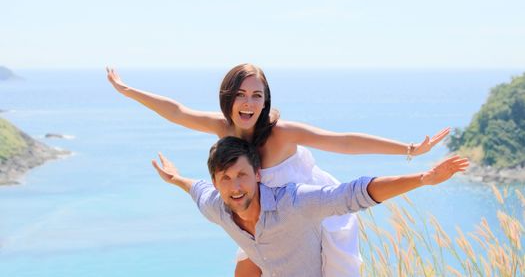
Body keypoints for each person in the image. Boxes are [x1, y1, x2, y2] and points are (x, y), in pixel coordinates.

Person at [107, 64, 450, 276]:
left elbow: (343, 142)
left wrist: (408, 150)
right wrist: (127, 90)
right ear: (228, 98)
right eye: (241, 94)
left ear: (265, 100)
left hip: (314, 212)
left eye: (257, 95)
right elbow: (178, 112)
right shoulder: (223, 128)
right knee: (245, 268)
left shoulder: (281, 133)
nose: (249, 103)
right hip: (263, 222)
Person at [152, 136, 469, 277]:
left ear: (258, 175)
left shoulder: (293, 202)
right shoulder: (216, 207)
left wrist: (423, 178)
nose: (235, 187)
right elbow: (196, 188)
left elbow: (353, 193)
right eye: (225, 178)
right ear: (216, 181)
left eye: (242, 176)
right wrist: (176, 178)